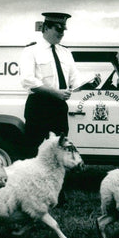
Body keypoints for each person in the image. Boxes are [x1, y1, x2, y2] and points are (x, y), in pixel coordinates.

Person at [19, 12, 99, 158]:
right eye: (58, 29)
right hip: (39, 107)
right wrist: (55, 93)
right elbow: (27, 80)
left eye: (63, 30)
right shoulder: (31, 51)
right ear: (46, 28)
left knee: (60, 152)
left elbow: (74, 80)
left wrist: (90, 84)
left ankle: (57, 181)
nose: (62, 33)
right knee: (33, 151)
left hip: (59, 108)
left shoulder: (65, 52)